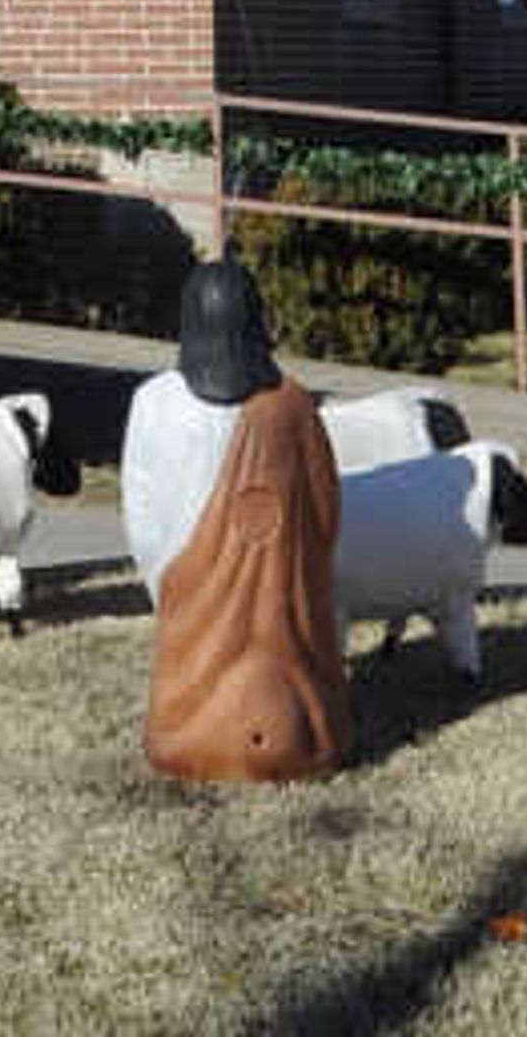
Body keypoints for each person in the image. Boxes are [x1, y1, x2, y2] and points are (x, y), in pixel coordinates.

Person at [135, 254, 353, 784]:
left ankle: (193, 741)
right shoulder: (294, 404)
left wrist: (167, 584)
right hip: (288, 622)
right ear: (258, 318)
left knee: (187, 698)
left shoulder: (154, 403)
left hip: (186, 603)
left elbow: (141, 514)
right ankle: (306, 740)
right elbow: (326, 516)